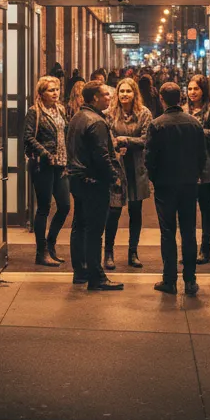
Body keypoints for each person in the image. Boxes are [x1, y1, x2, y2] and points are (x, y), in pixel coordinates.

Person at [146, 82, 206, 294]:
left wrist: (155, 178)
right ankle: (190, 280)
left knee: (167, 232)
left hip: (165, 185)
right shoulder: (194, 123)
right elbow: (202, 156)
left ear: (162, 99)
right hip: (189, 184)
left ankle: (169, 280)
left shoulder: (156, 124)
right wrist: (194, 174)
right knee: (189, 231)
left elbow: (149, 157)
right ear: (181, 98)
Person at [66, 81, 123, 291]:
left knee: (79, 226)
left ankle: (80, 272)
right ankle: (96, 276)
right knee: (94, 230)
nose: (109, 97)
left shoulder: (77, 117)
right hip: (93, 181)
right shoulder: (96, 121)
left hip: (78, 179)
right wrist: (113, 176)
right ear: (94, 98)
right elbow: (101, 155)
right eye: (105, 95)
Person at [105, 77, 154, 269]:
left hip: (136, 167)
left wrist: (125, 140)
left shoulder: (144, 113)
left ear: (135, 93)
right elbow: (106, 136)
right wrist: (115, 145)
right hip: (116, 167)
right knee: (114, 211)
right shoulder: (110, 113)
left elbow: (147, 139)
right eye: (121, 91)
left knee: (135, 211)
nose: (125, 94)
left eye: (128, 91)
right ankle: (108, 252)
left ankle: (133, 252)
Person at [23, 75, 70, 267]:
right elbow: (27, 137)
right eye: (51, 90)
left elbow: (64, 133)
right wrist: (44, 153)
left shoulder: (60, 109)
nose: (55, 93)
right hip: (43, 165)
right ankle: (40, 252)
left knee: (65, 206)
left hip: (61, 164)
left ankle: (51, 244)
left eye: (57, 89)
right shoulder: (34, 112)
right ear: (41, 93)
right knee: (43, 208)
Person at [185, 74, 210, 264]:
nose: (192, 92)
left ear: (203, 90)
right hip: (185, 164)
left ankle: (205, 248)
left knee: (205, 206)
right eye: (190, 89)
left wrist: (194, 128)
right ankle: (189, 249)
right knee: (187, 209)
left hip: (205, 163)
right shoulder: (184, 109)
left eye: (196, 89)